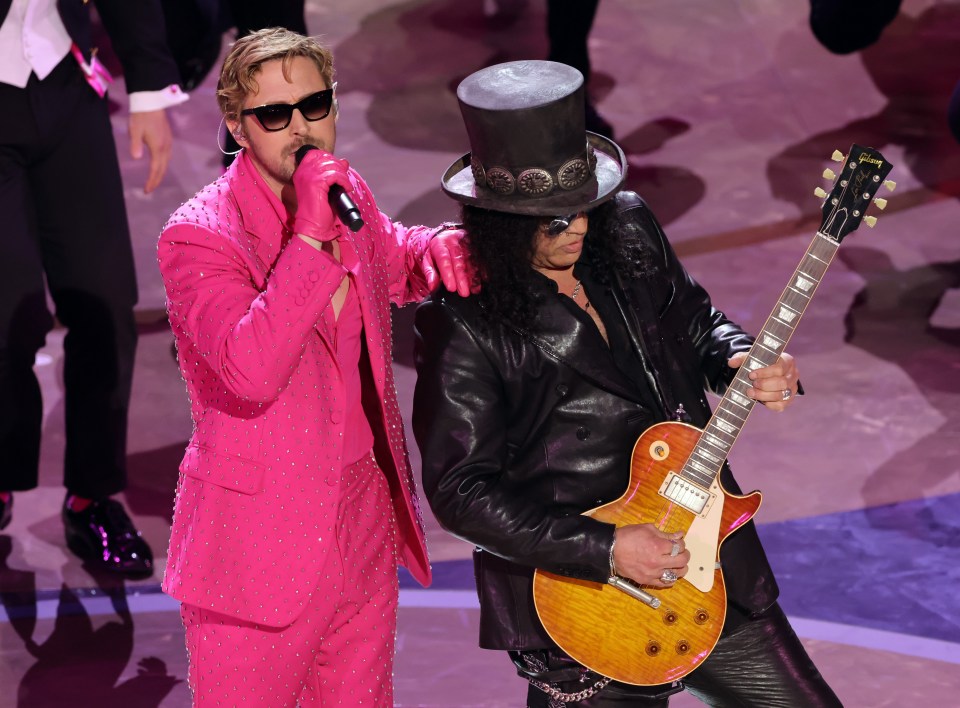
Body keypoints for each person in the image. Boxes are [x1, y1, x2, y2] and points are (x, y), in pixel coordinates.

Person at [413, 60, 841, 706]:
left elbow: (696, 323)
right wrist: (608, 547)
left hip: (711, 562)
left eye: (585, 206)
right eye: (554, 219)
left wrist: (741, 358)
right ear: (501, 220)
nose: (578, 227)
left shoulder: (628, 229)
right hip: (589, 605)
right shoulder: (463, 322)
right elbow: (460, 492)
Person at [157, 27, 474, 706]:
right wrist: (307, 237)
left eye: (314, 105)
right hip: (257, 543)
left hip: (361, 511)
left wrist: (433, 250)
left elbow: (388, 256)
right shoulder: (198, 236)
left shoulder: (341, 189)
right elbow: (249, 366)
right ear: (238, 127)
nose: (301, 128)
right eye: (275, 115)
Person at [0, 0, 187, 576]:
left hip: (65, 79)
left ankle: (92, 496)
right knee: (10, 313)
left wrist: (149, 91)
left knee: (104, 301)